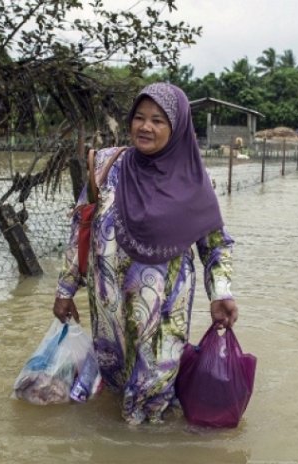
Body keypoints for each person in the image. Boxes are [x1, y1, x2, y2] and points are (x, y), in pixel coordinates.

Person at [52, 83, 239, 425]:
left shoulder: (195, 180)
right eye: (139, 117)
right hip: (109, 306)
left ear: (177, 127)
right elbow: (80, 228)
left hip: (165, 309)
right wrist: (65, 289)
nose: (145, 127)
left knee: (153, 392)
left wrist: (221, 294)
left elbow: (215, 244)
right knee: (117, 386)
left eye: (157, 120)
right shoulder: (107, 165)